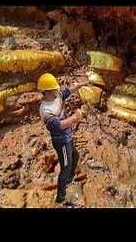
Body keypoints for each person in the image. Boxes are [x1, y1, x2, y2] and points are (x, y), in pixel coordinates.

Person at [37, 73, 90, 205]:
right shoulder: (45, 110)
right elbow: (59, 126)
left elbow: (67, 91)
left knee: (75, 157)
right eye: (55, 88)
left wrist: (79, 85)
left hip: (68, 137)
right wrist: (75, 117)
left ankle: (69, 179)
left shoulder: (56, 96)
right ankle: (61, 198)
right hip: (61, 142)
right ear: (47, 92)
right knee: (65, 167)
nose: (58, 90)